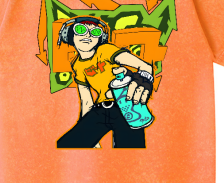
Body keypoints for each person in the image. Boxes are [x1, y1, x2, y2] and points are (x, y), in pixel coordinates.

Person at [56, 16, 155, 149]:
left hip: (127, 108)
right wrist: (90, 136)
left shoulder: (106, 50)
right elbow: (86, 100)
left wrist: (142, 81)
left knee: (131, 152)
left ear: (100, 38)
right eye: (80, 30)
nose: (88, 35)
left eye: (95, 32)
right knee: (67, 145)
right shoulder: (77, 65)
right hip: (100, 110)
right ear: (68, 35)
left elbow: (145, 66)